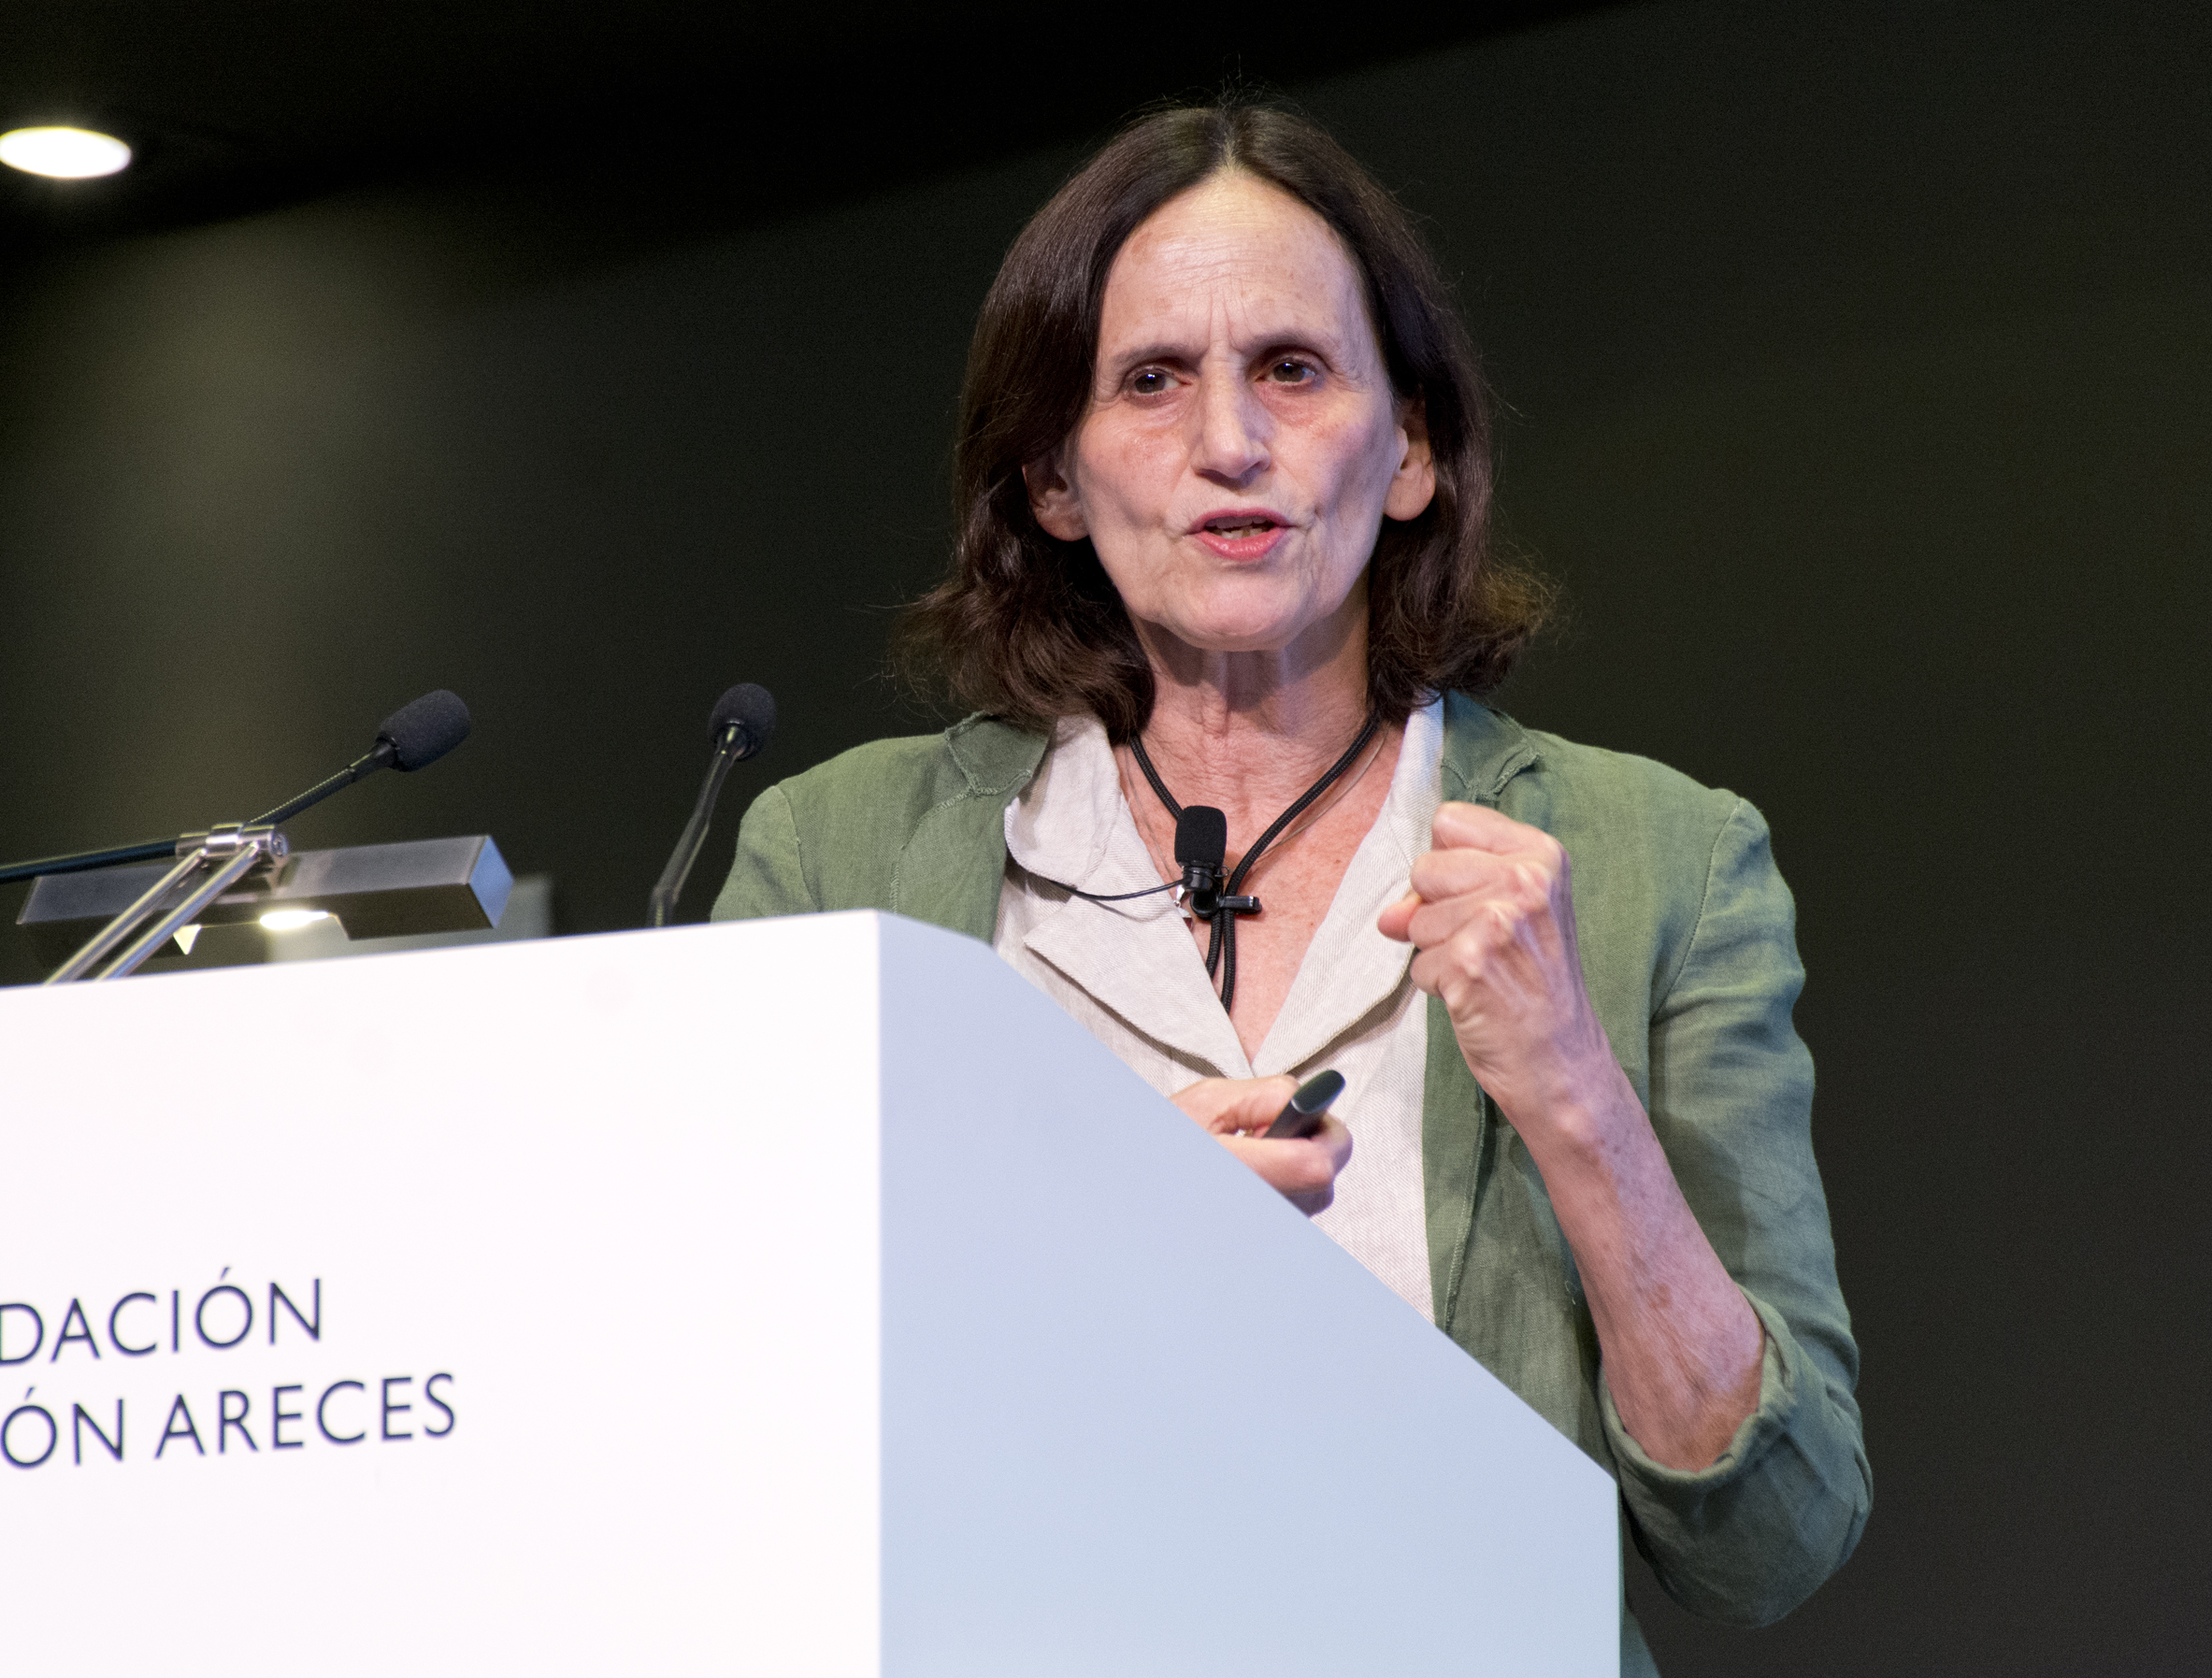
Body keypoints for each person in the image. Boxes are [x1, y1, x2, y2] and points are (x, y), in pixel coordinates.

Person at [711, 102, 1867, 1671]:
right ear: (1051, 476)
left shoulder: (1661, 858)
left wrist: (1579, 1103)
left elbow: (1774, 1539)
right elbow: (723, 1434)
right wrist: (1086, 1267)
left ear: (1410, 451)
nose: (1228, 442)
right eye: (1149, 380)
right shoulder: (835, 862)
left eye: (1292, 370)